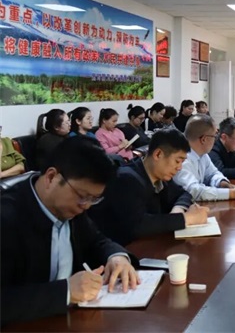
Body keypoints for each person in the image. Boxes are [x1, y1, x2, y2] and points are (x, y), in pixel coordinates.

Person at [1, 137, 139, 325]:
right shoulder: (7, 218)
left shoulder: (72, 207)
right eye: (83, 196)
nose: (86, 206)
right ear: (51, 177)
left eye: (94, 199)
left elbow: (96, 240)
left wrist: (116, 257)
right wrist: (65, 291)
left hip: (74, 319)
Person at [89, 129, 208, 246]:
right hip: (125, 251)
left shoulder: (161, 176)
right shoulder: (126, 179)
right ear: (158, 154)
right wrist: (186, 218)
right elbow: (138, 225)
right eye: (177, 161)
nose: (180, 168)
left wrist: (178, 209)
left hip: (153, 245)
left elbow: (183, 194)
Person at [173, 114, 235, 201]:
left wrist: (223, 184)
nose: (216, 140)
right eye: (214, 136)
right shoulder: (181, 159)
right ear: (204, 139)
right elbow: (195, 191)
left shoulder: (203, 154)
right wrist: (232, 193)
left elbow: (213, 174)